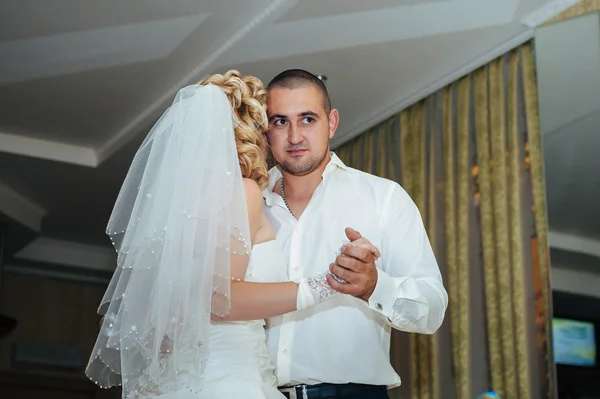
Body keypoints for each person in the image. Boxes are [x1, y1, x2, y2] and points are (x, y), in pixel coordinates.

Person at [84, 70, 378, 399]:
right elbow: (220, 300)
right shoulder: (243, 192)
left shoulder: (182, 211)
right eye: (274, 124)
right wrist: (324, 285)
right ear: (253, 131)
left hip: (187, 378)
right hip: (231, 375)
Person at [262, 69, 449, 399]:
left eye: (307, 119)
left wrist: (377, 286)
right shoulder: (247, 207)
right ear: (266, 129)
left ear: (331, 122)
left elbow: (432, 309)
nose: (294, 136)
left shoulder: (383, 198)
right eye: (280, 121)